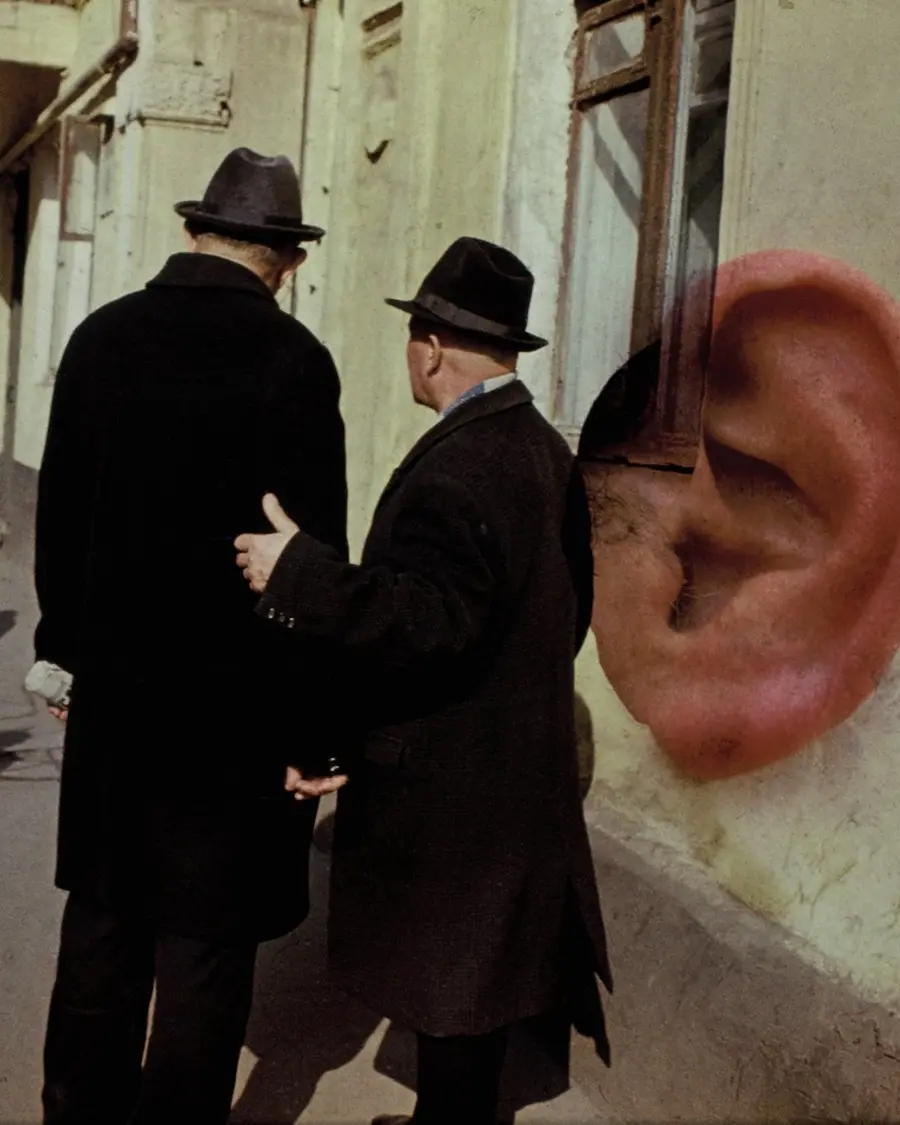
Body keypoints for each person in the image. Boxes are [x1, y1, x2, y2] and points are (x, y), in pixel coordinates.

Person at [235, 237, 613, 1125]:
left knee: (450, 985)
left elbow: (427, 620)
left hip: (453, 780)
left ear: (431, 346)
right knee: (469, 990)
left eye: (412, 334)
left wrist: (299, 572)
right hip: (509, 762)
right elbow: (569, 608)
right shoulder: (539, 449)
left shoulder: (460, 464)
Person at [33, 147, 348, 1124]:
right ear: (285, 259)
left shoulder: (99, 341)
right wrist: (309, 733)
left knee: (103, 926)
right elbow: (312, 565)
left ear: (191, 232)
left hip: (118, 705)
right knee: (204, 955)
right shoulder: (295, 364)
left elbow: (60, 520)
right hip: (233, 719)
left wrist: (66, 649)